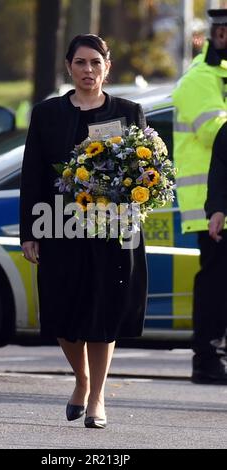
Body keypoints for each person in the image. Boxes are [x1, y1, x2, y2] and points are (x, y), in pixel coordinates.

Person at [20, 34, 148, 428]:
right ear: (68, 66)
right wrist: (30, 231)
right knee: (61, 311)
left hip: (113, 229)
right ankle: (81, 378)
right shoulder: (47, 115)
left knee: (103, 312)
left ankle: (96, 397)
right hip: (59, 224)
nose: (88, 70)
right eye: (81, 63)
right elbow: (33, 175)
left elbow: (143, 172)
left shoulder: (129, 111)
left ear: (107, 66)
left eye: (95, 62)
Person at [172, 9, 227, 384]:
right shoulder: (199, 79)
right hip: (211, 207)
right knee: (216, 288)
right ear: (218, 35)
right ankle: (206, 360)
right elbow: (217, 134)